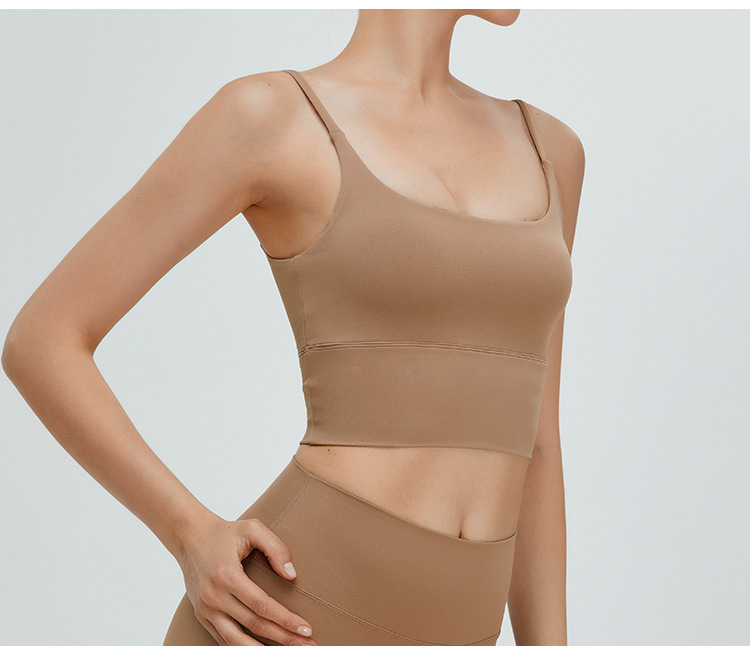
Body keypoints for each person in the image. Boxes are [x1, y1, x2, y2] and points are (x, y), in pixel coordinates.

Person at [2, 8, 585, 646]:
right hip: (290, 619)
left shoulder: (551, 150)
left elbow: (539, 442)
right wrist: (189, 532)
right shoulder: (270, 118)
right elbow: (43, 339)